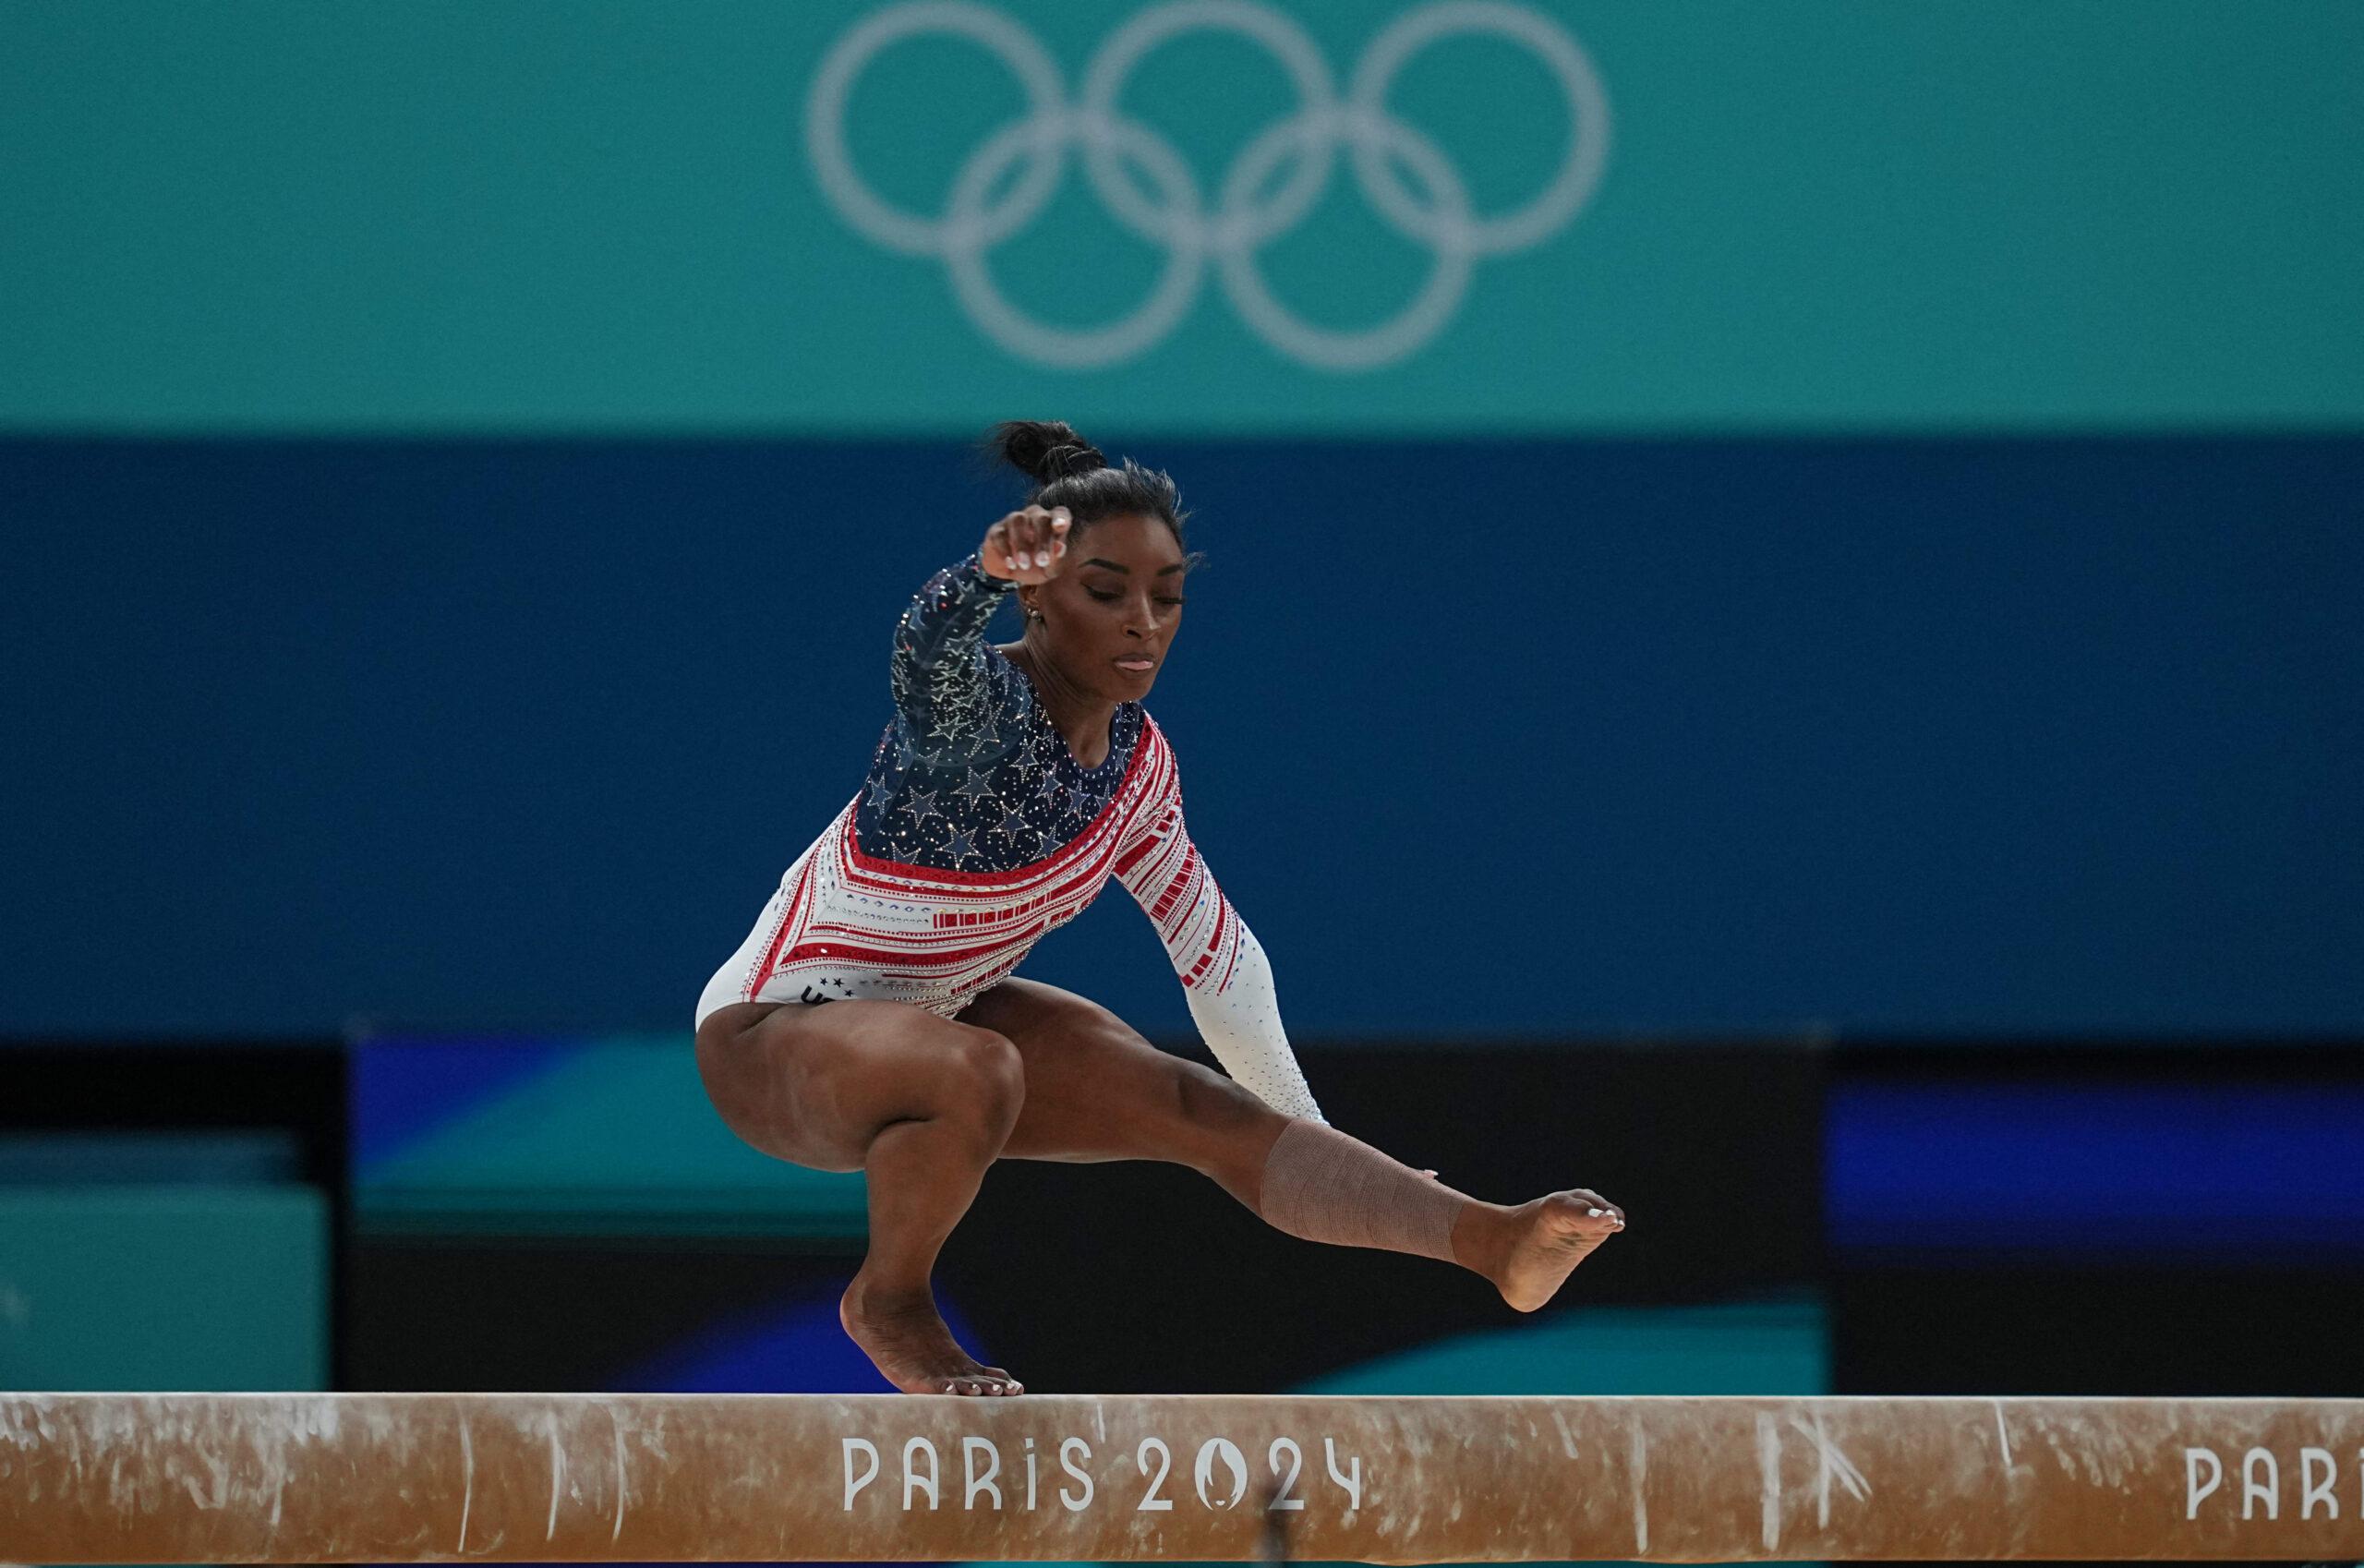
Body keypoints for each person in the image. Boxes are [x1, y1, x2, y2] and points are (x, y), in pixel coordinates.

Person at [694, 421, 1624, 1395]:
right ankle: (890, 1301)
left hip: (935, 1027)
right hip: (773, 1043)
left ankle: (1493, 1242)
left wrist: (1311, 1132)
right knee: (978, 1065)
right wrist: (975, 575)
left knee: (1194, 1101)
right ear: (1039, 598)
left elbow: (1219, 962)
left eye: (1165, 597)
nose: (1142, 621)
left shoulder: (1138, 771)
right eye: (1106, 593)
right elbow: (924, 652)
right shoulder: (973, 717)